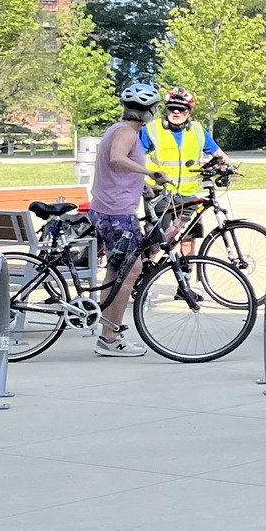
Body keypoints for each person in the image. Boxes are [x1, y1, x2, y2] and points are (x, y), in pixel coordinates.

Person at [89, 83, 161, 357]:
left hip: (107, 209)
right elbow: (117, 159)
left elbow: (116, 169)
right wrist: (150, 172)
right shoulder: (127, 133)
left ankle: (106, 331)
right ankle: (110, 338)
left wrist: (143, 183)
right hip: (118, 213)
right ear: (150, 113)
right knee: (130, 271)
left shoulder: (117, 130)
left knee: (116, 271)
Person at [140, 88, 230, 197]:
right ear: (167, 109)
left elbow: (220, 155)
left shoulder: (198, 130)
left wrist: (225, 167)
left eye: (181, 109)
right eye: (172, 108)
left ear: (189, 112)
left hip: (188, 195)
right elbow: (133, 160)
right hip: (159, 193)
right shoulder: (151, 129)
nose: (176, 111)